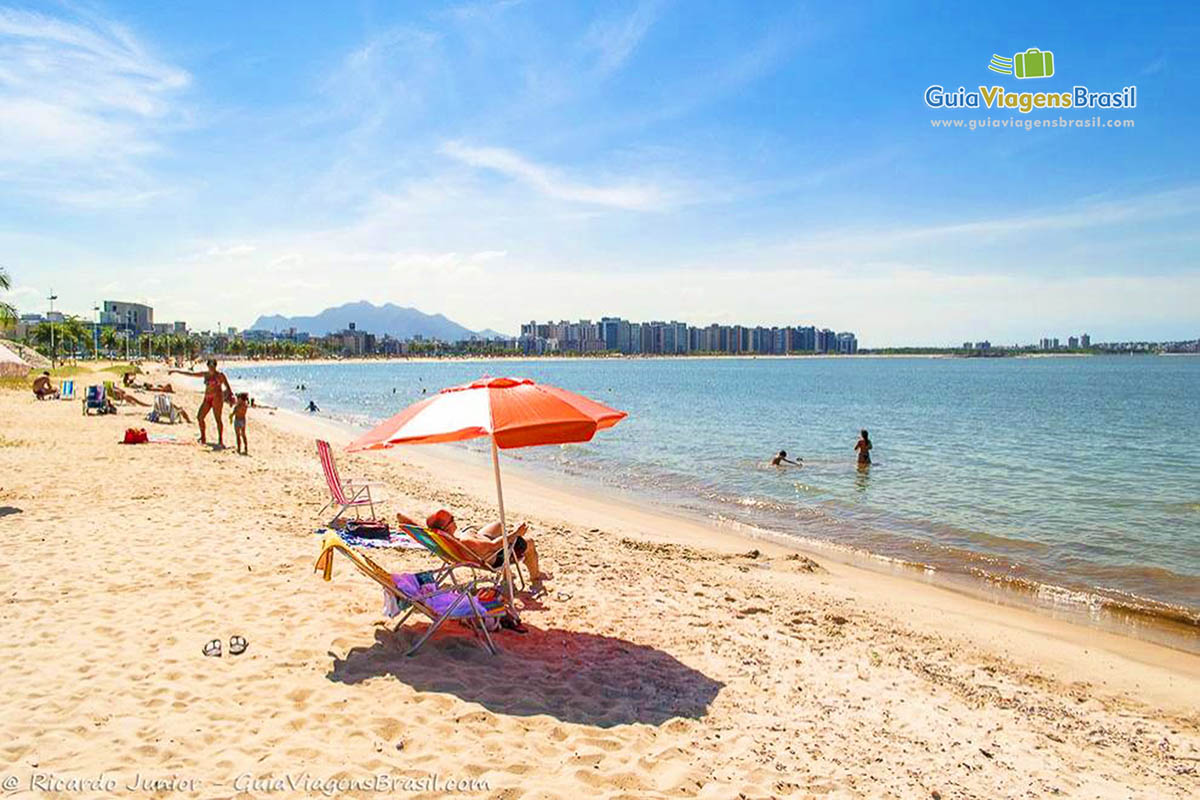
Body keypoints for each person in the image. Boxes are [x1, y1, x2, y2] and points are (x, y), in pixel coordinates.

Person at [398, 508, 552, 594]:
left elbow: (403, 518)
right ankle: (535, 576)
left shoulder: (444, 537)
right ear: (446, 526)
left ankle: (508, 575)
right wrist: (516, 533)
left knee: (498, 524)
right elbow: (493, 547)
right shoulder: (464, 541)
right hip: (492, 556)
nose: (454, 518)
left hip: (479, 543)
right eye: (451, 518)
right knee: (529, 543)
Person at [169, 358, 234, 447]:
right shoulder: (205, 374)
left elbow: (228, 388)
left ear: (215, 366)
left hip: (217, 398)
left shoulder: (220, 376)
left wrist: (229, 398)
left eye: (213, 366)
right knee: (200, 417)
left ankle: (220, 440)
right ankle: (203, 437)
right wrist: (175, 371)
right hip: (207, 398)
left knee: (218, 419)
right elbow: (191, 374)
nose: (211, 368)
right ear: (207, 366)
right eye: (210, 366)